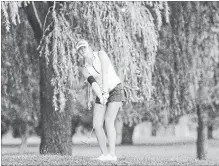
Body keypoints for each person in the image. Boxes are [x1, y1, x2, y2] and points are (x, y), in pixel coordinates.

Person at [75, 39, 126, 161]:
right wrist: (101, 95)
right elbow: (93, 83)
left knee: (109, 120)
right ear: (78, 52)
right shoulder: (84, 68)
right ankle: (104, 154)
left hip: (115, 89)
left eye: (84, 47)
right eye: (80, 49)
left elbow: (104, 72)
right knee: (97, 124)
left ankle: (112, 155)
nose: (83, 50)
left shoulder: (101, 54)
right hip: (101, 92)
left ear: (89, 47)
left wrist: (105, 92)